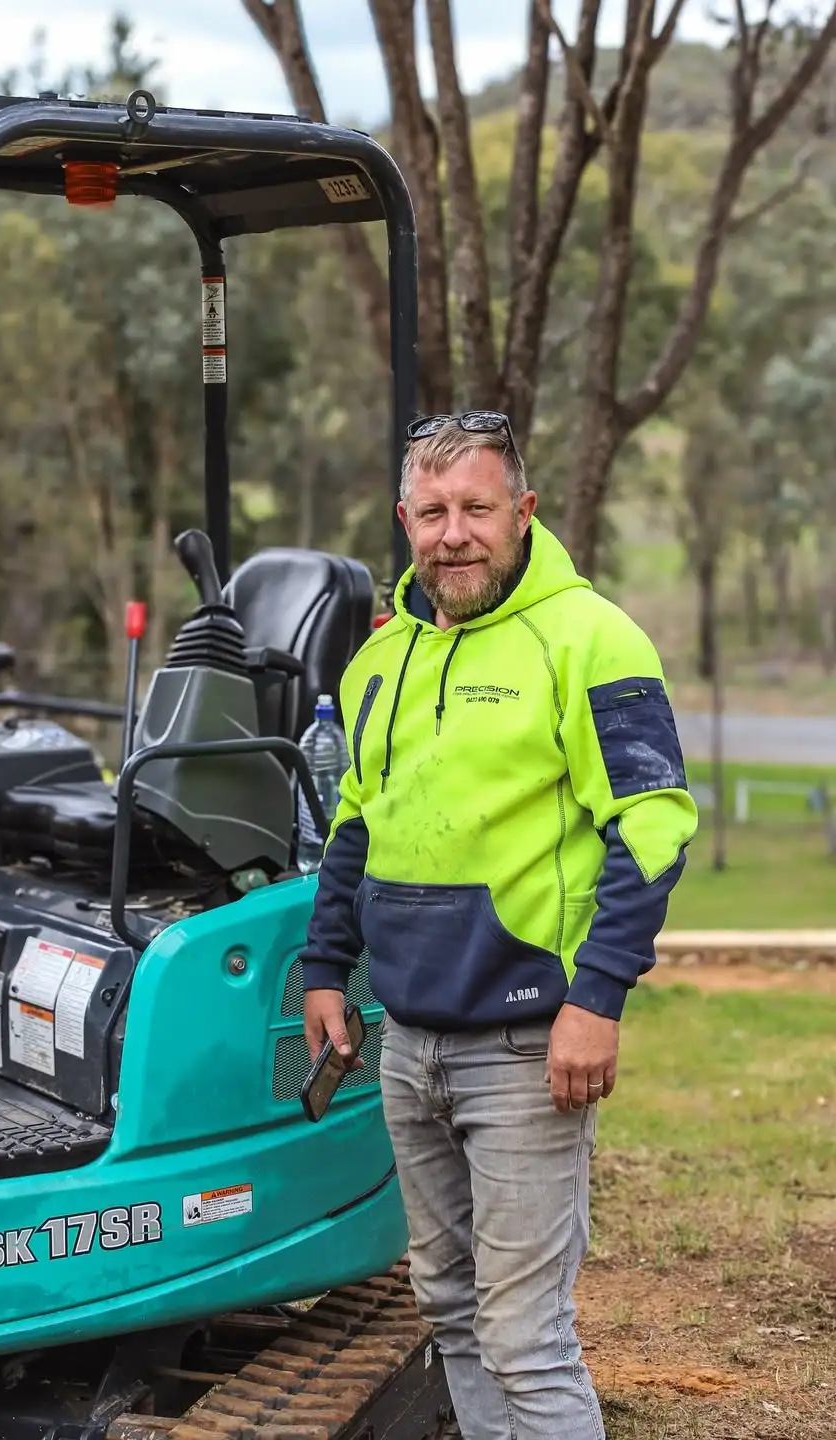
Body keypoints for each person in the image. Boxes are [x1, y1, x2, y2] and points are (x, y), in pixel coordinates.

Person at [299, 412, 698, 1440]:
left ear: (523, 512)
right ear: (405, 521)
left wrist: (597, 1000)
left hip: (528, 1044)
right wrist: (323, 968)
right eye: (433, 513)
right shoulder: (380, 663)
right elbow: (357, 827)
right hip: (408, 1042)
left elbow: (653, 829)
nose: (454, 533)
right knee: (449, 1309)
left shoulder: (591, 638)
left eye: (478, 507)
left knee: (525, 1337)